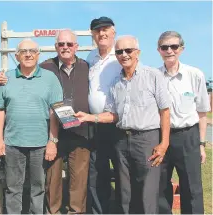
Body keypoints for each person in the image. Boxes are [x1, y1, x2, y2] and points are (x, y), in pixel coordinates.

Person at [0, 29, 92, 214]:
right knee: (50, 183)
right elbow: (1, 105)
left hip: (78, 132)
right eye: (61, 44)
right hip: (49, 135)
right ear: (55, 47)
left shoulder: (87, 67)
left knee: (77, 182)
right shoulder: (47, 67)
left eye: (69, 44)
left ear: (76, 47)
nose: (65, 47)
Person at [75, 35, 171, 214]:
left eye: (128, 50)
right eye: (119, 51)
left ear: (138, 53)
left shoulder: (153, 76)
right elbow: (113, 115)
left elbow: (165, 111)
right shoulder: (115, 83)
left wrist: (164, 143)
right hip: (121, 140)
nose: (124, 55)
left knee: (147, 192)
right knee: (124, 191)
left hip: (146, 140)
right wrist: (89, 117)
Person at [0, 38, 63, 214]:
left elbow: (56, 112)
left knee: (38, 188)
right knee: (13, 188)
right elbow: (0, 111)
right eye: (23, 51)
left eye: (32, 51)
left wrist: (52, 141)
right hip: (13, 143)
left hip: (40, 144)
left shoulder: (50, 78)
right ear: (16, 56)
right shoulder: (5, 78)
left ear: (38, 55)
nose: (28, 54)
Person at [157, 31, 210, 214]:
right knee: (161, 187)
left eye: (174, 46)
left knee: (192, 187)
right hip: (161, 136)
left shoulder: (194, 75)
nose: (169, 50)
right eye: (165, 47)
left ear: (181, 49)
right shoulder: (154, 77)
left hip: (188, 136)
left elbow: (202, 112)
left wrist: (201, 144)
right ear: (159, 50)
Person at [86, 16, 122, 214]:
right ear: (93, 34)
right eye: (97, 30)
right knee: (97, 173)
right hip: (95, 125)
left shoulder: (122, 55)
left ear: (113, 32)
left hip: (119, 125)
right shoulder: (91, 57)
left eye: (105, 29)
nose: (102, 33)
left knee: (122, 172)